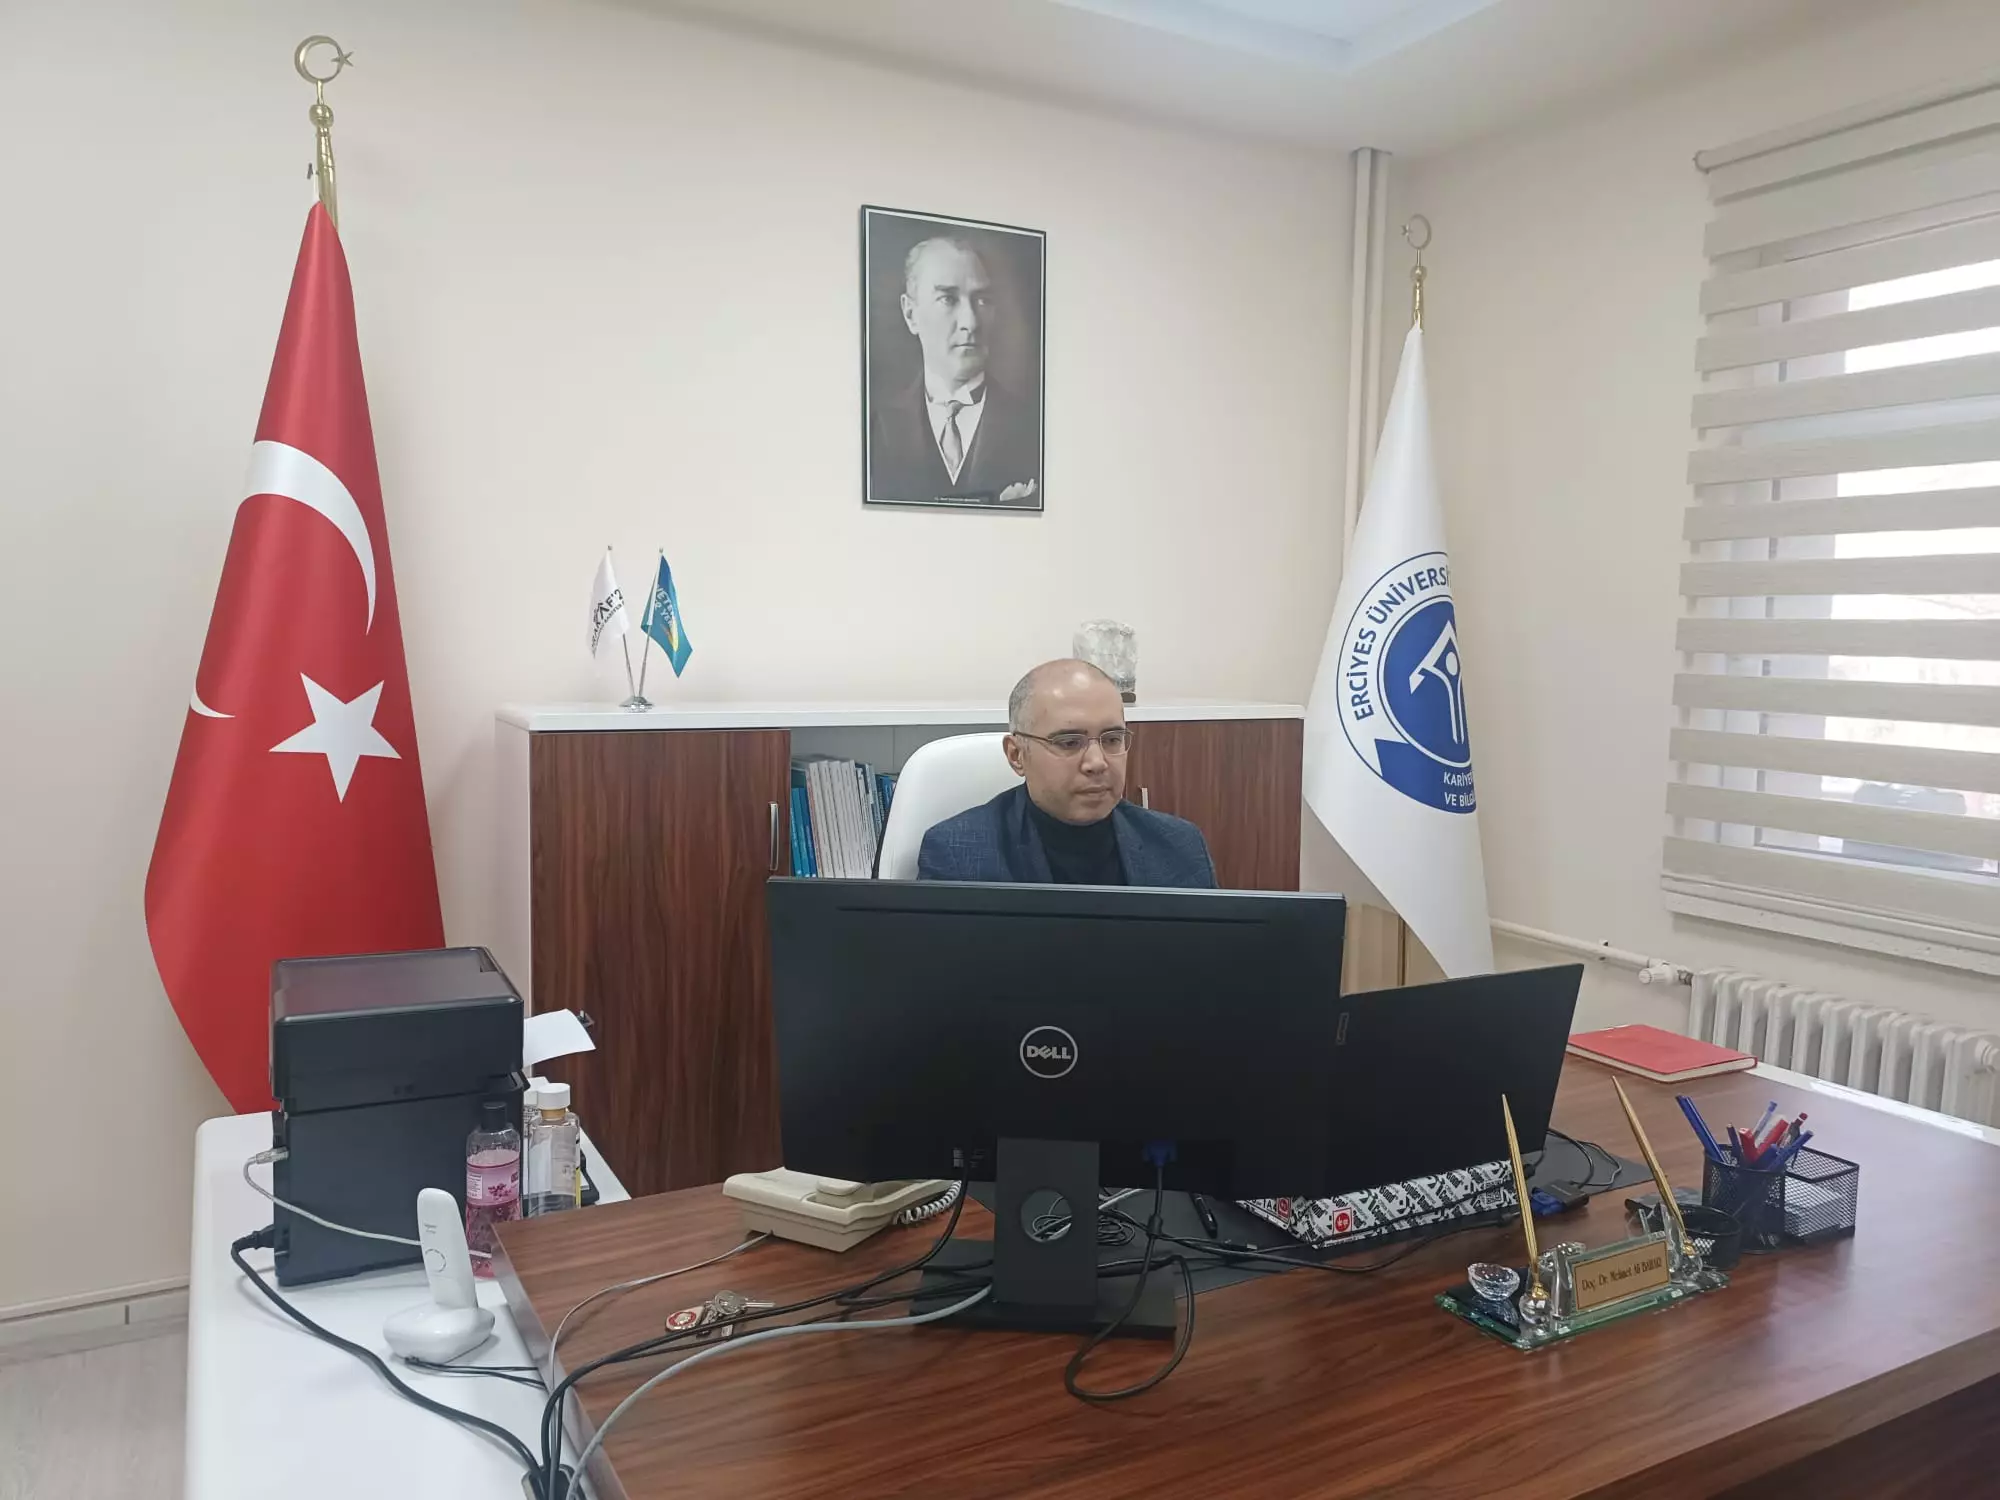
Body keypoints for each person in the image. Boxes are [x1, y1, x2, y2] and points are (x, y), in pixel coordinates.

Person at [918, 660, 1216, 887]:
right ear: (1017, 755)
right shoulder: (959, 854)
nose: (1097, 762)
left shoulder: (1179, 846)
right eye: (1069, 742)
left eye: (1112, 739)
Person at [868, 235, 1041, 507]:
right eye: (948, 299)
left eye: (982, 300)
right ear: (911, 314)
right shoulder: (875, 429)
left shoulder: (1033, 427)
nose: (970, 322)